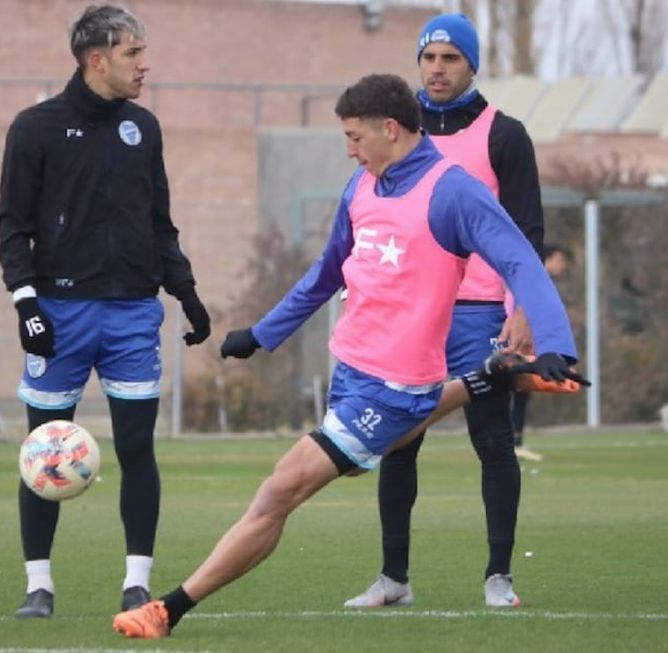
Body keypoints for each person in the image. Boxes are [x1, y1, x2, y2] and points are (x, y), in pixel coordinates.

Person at [111, 73, 586, 639]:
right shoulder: (363, 184)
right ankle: (491, 379)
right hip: (355, 372)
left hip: (393, 388)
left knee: (279, 490)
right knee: (400, 428)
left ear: (390, 129)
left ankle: (169, 608)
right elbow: (326, 271)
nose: (349, 147)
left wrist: (556, 344)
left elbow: (520, 263)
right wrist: (264, 334)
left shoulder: (452, 190)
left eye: (355, 136)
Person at [0, 3, 210, 619]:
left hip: (132, 314)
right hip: (59, 315)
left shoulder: (144, 128)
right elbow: (13, 226)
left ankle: (137, 583)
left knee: (138, 447)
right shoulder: (33, 128)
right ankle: (39, 586)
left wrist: (185, 291)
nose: (145, 65)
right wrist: (26, 304)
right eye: (133, 53)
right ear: (97, 59)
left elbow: (158, 222)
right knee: (42, 449)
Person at [344, 13, 548, 611]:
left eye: (450, 58)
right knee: (397, 441)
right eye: (429, 57)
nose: (437, 68)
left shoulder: (503, 135)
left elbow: (525, 235)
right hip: (409, 312)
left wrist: (522, 311)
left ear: (472, 64)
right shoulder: (394, 131)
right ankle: (393, 579)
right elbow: (371, 216)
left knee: (493, 441)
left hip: (481, 313)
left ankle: (499, 577)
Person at [512, 245, 570, 461]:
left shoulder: (541, 284)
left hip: (533, 345)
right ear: (546, 261)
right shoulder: (532, 283)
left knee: (521, 393)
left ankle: (515, 442)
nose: (562, 265)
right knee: (514, 391)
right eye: (559, 260)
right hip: (521, 343)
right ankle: (512, 443)